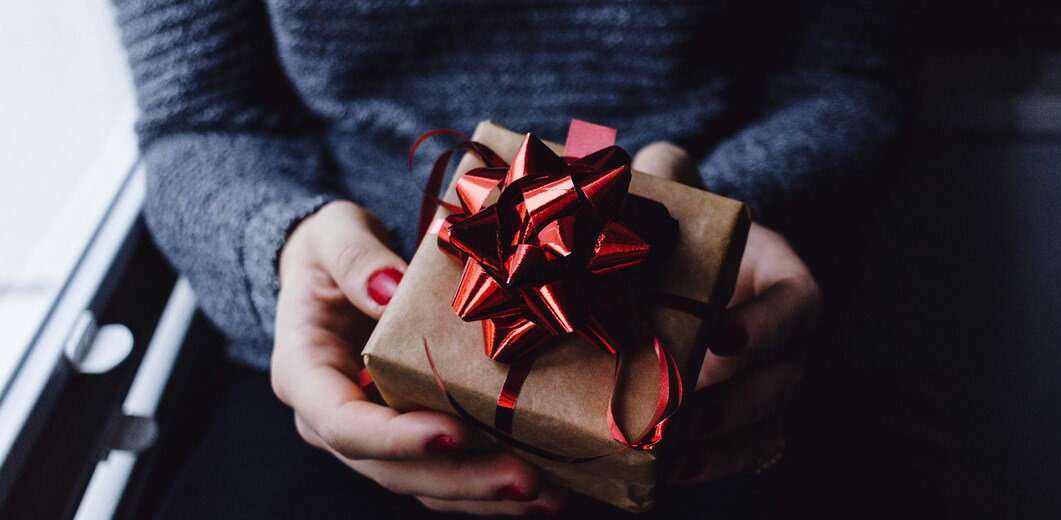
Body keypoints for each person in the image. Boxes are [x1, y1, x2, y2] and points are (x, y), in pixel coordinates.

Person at [111, 0, 897, 516]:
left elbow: (847, 77)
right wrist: (280, 245)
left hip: (710, 325)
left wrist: (710, 223)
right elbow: (199, 119)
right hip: (353, 334)